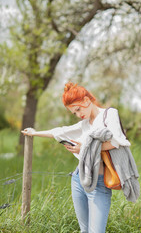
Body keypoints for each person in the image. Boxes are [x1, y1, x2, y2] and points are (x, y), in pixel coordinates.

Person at [21, 82, 131, 233]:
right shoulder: (84, 124)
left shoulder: (109, 114)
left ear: (86, 100)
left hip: (98, 183)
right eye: (74, 113)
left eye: (78, 109)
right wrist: (34, 133)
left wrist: (84, 148)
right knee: (84, 230)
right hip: (78, 179)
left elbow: (116, 142)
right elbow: (60, 131)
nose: (78, 115)